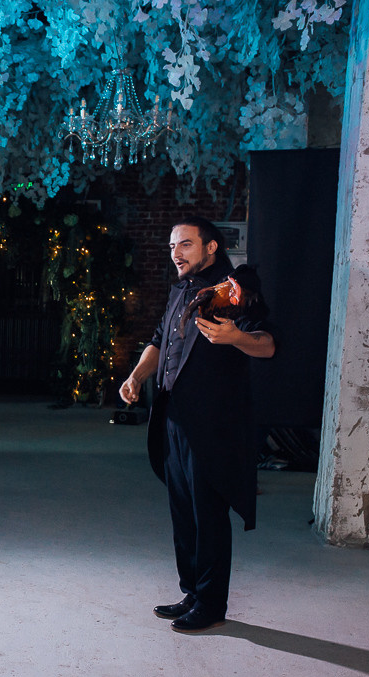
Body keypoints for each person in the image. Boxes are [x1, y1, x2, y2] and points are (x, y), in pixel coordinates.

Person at [119, 216, 275, 633]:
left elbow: (268, 344)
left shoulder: (236, 289)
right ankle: (191, 592)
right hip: (174, 419)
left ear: (210, 247)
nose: (176, 253)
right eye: (172, 246)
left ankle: (211, 603)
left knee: (209, 516)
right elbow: (158, 340)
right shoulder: (180, 291)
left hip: (213, 426)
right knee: (184, 513)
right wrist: (137, 376)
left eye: (185, 245)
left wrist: (235, 338)